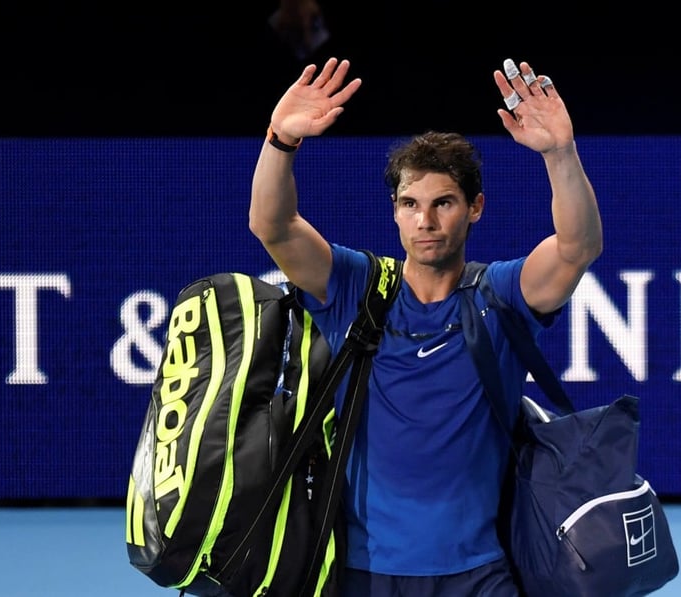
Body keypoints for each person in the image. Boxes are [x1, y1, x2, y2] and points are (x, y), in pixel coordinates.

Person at [249, 56, 602, 596]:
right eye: (410, 204)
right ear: (393, 210)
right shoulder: (355, 287)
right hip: (364, 575)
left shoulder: (501, 295)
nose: (426, 221)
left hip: (481, 574)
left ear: (475, 208)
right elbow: (271, 225)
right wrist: (280, 141)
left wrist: (559, 153)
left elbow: (578, 247)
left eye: (443, 203)